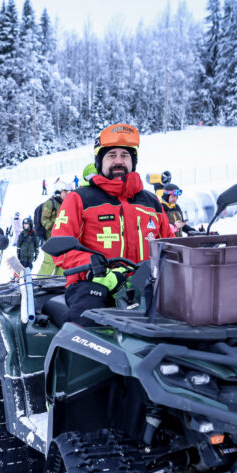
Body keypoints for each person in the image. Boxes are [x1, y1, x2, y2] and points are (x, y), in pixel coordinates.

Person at [53, 123, 174, 325]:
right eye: (111, 155)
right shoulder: (79, 198)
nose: (119, 161)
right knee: (85, 323)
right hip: (92, 283)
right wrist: (95, 267)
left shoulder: (151, 202)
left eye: (125, 156)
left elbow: (168, 245)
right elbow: (61, 248)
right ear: (100, 162)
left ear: (133, 161)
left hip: (142, 281)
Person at [36, 189, 66, 276]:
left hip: (63, 239)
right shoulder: (50, 203)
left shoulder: (67, 203)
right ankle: (40, 283)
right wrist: (56, 228)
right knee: (49, 262)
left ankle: (58, 283)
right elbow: (44, 220)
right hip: (50, 239)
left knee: (62, 262)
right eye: (65, 191)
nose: (67, 193)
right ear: (61, 192)